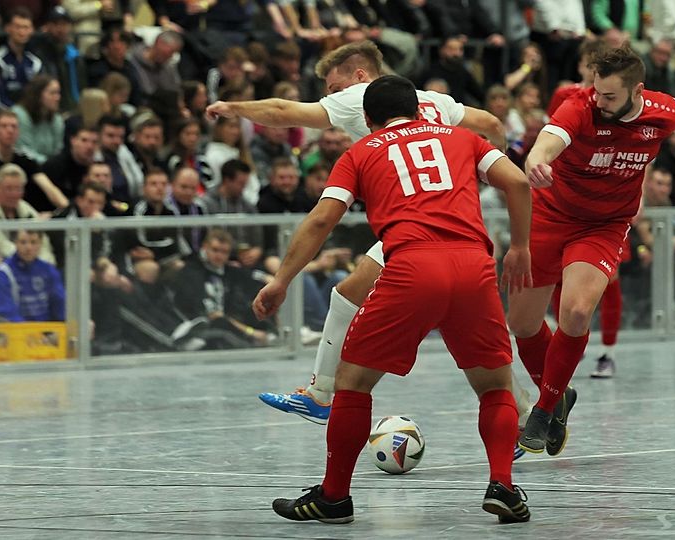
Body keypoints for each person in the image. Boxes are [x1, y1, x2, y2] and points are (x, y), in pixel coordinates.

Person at [251, 75, 532, 525]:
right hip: (473, 267)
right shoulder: (461, 138)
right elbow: (517, 182)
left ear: (367, 119)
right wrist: (519, 247)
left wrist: (281, 279)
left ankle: (334, 497)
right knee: (495, 386)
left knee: (351, 382)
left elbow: (322, 219)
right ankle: (504, 485)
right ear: (419, 110)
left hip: (411, 268)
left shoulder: (361, 151)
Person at [205, 40, 532, 426]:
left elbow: (282, 111)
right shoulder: (432, 100)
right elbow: (492, 124)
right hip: (457, 224)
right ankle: (526, 413)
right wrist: (490, 163)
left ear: (361, 76)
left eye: (333, 87)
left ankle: (322, 395)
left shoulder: (358, 98)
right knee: (456, 331)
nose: (331, 97)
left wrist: (233, 108)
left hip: (414, 229)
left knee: (388, 327)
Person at [509, 44, 675, 455]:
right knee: (523, 324)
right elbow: (548, 141)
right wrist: (536, 162)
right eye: (597, 91)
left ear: (638, 90)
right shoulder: (580, 106)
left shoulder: (663, 110)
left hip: (604, 224)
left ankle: (543, 409)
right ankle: (560, 395)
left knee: (577, 311)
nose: (600, 101)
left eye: (610, 96)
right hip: (550, 215)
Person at [0, 229, 65, 322]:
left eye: (33, 242)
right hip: (15, 328)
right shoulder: (2, 273)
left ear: (40, 244)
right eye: (23, 242)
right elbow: (6, 311)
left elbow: (60, 304)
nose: (28, 247)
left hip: (46, 328)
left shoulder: (48, 270)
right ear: (15, 243)